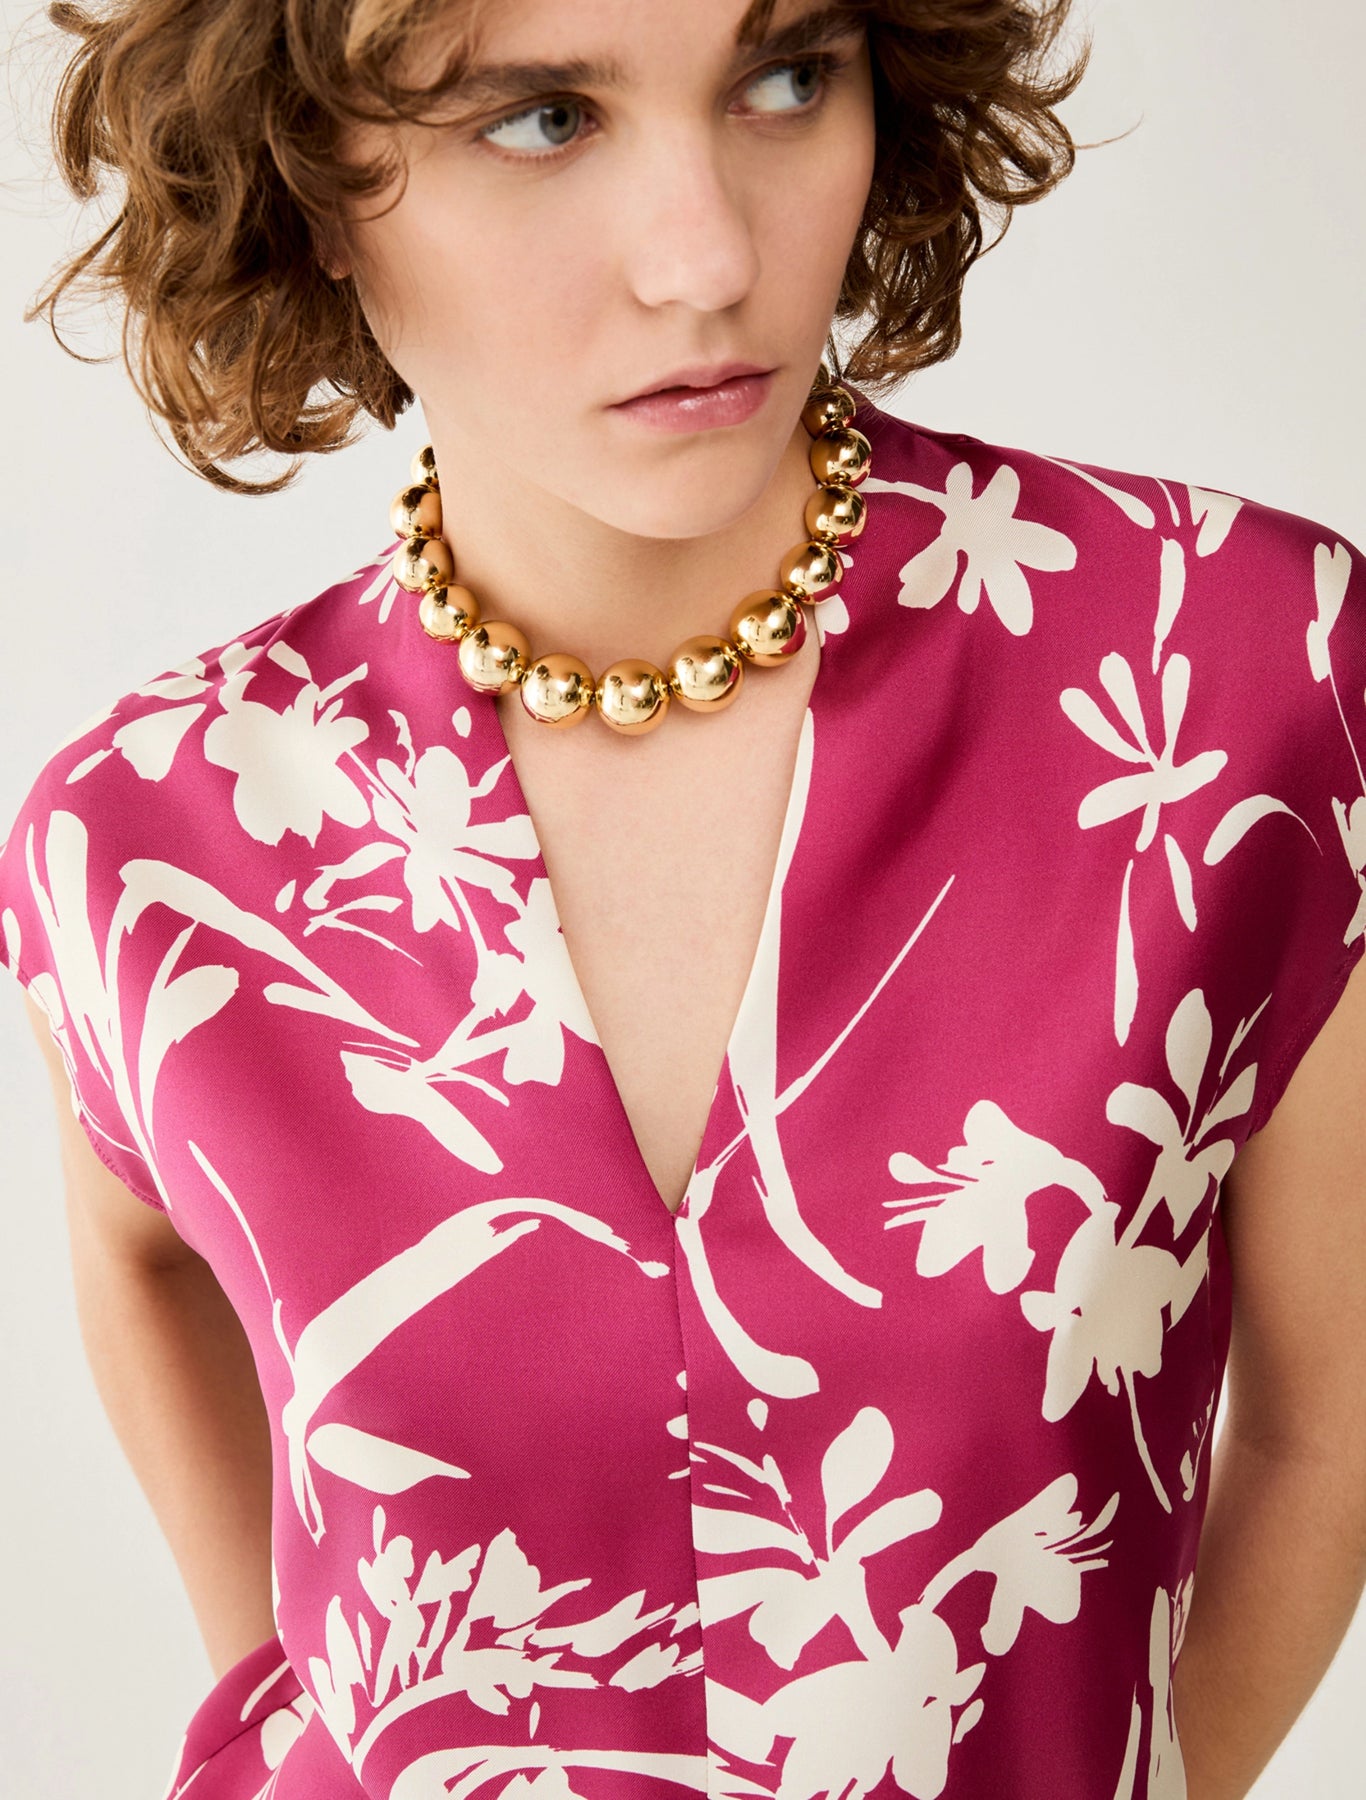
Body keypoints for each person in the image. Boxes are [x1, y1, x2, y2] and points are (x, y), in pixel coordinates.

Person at [2, 0, 1365, 1796]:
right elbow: (141, 1256)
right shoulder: (148, 834)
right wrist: (294, 1695)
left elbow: (1328, 1431)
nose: (707, 259)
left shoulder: (1226, 680)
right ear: (308, 181)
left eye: (786, 79)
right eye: (543, 119)